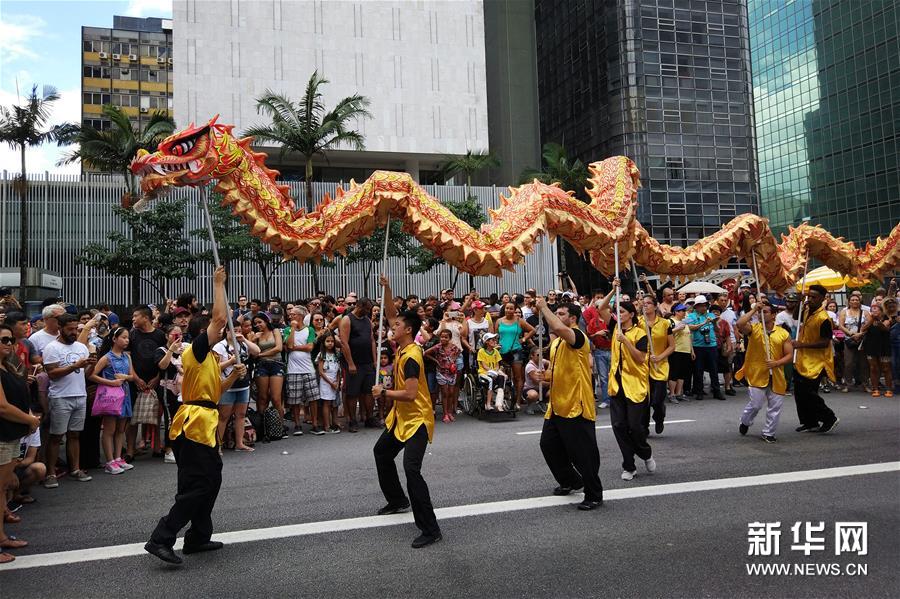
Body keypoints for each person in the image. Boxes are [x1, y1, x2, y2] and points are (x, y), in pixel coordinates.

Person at [146, 267, 247, 565]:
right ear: (207, 333)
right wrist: (218, 284)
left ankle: (198, 536)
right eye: (219, 327)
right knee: (199, 484)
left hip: (203, 420)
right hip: (193, 424)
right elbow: (218, 318)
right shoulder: (198, 350)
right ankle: (161, 537)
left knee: (210, 479)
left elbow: (213, 393)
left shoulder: (210, 358)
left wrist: (232, 377)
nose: (224, 327)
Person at [372, 275, 441, 548]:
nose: (392, 326)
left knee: (412, 470)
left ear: (408, 330)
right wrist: (387, 289)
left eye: (397, 325)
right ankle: (397, 500)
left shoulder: (412, 355)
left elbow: (411, 394)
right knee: (381, 453)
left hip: (418, 421)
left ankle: (430, 528)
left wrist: (384, 393)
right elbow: (391, 313)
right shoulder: (401, 345)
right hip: (401, 418)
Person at [533, 296, 603, 510]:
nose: (557, 317)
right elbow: (557, 370)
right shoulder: (557, 344)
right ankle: (571, 480)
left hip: (576, 404)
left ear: (572, 318)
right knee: (548, 444)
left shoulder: (577, 337)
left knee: (582, 452)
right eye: (558, 313)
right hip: (557, 404)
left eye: (562, 314)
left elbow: (556, 326)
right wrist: (543, 376)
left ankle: (594, 494)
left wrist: (544, 307)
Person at [0, 323, 41, 563]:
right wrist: (30, 420)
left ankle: (2, 537)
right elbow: (2, 407)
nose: (8, 344)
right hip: (3, 436)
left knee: (3, 490)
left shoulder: (8, 366)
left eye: (10, 340)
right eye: (3, 340)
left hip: (10, 436)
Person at [42, 313, 95, 487]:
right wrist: (74, 366)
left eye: (76, 329)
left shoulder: (81, 347)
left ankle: (75, 469)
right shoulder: (52, 348)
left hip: (80, 395)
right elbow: (52, 374)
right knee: (56, 436)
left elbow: (85, 375)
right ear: (60, 328)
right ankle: (50, 473)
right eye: (70, 329)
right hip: (61, 397)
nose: (74, 332)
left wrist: (91, 364)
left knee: (75, 434)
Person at [607, 299, 654, 481]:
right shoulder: (615, 328)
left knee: (635, 427)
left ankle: (645, 452)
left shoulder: (640, 333)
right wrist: (613, 289)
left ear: (632, 315)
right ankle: (629, 465)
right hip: (617, 386)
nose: (619, 315)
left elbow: (641, 358)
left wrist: (625, 341)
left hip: (635, 385)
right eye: (617, 312)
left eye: (623, 312)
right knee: (619, 426)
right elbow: (602, 308)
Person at [734, 302, 793, 443]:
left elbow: (789, 355)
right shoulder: (754, 329)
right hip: (757, 373)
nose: (762, 313)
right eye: (761, 311)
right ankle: (745, 421)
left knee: (775, 406)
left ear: (773, 315)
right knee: (756, 404)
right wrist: (754, 309)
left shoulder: (783, 333)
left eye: (765, 312)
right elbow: (740, 324)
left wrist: (777, 363)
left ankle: (768, 432)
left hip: (777, 375)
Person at [792, 284, 839, 434]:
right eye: (809, 296)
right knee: (799, 393)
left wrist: (802, 344)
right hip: (802, 358)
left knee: (809, 393)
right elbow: (794, 316)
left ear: (822, 299)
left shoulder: (824, 318)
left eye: (814, 297)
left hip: (817, 362)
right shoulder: (806, 310)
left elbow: (825, 342)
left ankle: (829, 417)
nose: (810, 299)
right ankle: (809, 422)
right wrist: (799, 302)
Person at [89, 327, 137, 475]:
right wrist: (110, 382)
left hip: (125, 394)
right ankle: (109, 461)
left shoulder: (126, 356)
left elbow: (132, 376)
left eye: (127, 337)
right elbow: (91, 375)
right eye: (123, 337)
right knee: (109, 430)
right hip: (111, 396)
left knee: (120, 429)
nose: (126, 340)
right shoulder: (106, 357)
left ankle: (118, 457)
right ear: (114, 339)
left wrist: (125, 378)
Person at [127, 306, 166, 462]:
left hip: (155, 380)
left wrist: (157, 377)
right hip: (135, 381)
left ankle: (157, 447)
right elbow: (127, 358)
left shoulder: (160, 335)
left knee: (155, 415)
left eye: (136, 315)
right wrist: (135, 378)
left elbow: (164, 358)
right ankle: (130, 450)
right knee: (132, 418)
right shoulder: (132, 335)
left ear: (146, 318)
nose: (133, 319)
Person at [214, 326, 259, 450]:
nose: (237, 333)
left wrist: (244, 339)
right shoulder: (219, 346)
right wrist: (230, 362)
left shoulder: (242, 344)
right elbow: (214, 367)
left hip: (243, 384)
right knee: (224, 416)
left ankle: (240, 443)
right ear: (227, 331)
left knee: (241, 414)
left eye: (239, 330)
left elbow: (257, 351)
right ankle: (218, 445)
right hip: (227, 385)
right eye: (234, 330)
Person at [639, 295, 675, 435]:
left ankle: (659, 417)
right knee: (644, 400)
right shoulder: (638, 322)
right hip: (643, 366)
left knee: (657, 400)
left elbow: (672, 346)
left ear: (655, 306)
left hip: (660, 366)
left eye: (649, 303)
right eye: (644, 303)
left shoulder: (665, 323)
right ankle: (644, 427)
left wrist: (659, 357)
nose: (646, 305)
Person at [340, 297, 377, 432]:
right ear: (360, 306)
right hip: (354, 362)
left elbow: (372, 340)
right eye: (367, 309)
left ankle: (369, 418)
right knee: (352, 392)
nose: (368, 312)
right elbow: (344, 343)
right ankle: (352, 420)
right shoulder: (347, 319)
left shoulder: (367, 320)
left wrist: (374, 360)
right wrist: (350, 363)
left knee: (369, 391)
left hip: (367, 362)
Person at [493, 301, 535, 410]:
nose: (509, 310)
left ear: (515, 310)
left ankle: (517, 401)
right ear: (504, 309)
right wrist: (495, 344)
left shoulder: (519, 321)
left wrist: (524, 339)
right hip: (502, 351)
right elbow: (495, 336)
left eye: (511, 308)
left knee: (518, 377)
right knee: (502, 376)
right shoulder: (499, 321)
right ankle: (504, 398)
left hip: (516, 351)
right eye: (507, 308)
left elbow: (532, 330)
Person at [684, 295, 725, 400]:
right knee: (698, 370)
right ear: (696, 307)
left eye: (705, 305)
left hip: (711, 345)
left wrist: (715, 323)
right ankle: (699, 391)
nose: (703, 308)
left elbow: (717, 330)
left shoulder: (711, 314)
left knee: (714, 369)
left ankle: (717, 391)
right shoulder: (691, 316)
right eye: (701, 306)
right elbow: (690, 327)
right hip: (698, 346)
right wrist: (704, 323)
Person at [285, 314, 320, 435]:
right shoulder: (287, 329)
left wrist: (294, 347)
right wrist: (293, 329)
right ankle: (297, 425)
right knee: (294, 399)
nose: (291, 316)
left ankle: (315, 424)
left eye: (294, 314)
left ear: (300, 316)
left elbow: (310, 347)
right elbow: (288, 345)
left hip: (308, 368)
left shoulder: (309, 329)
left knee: (313, 398)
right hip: (293, 370)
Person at [583, 289, 614, 409]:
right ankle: (606, 399)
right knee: (603, 378)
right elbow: (588, 336)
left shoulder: (613, 319)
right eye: (598, 306)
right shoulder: (592, 322)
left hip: (612, 349)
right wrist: (597, 334)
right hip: (600, 351)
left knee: (614, 375)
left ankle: (615, 398)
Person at [861, 303, 894, 397]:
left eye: (876, 309)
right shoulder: (869, 320)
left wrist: (878, 321)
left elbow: (885, 328)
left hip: (884, 346)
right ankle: (875, 389)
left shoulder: (887, 320)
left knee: (886, 368)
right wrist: (871, 319)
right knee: (873, 368)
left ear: (881, 311)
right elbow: (863, 329)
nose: (874, 310)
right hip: (871, 346)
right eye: (872, 309)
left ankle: (889, 389)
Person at [838, 294, 869, 391]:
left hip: (862, 340)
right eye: (853, 300)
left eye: (857, 300)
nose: (855, 301)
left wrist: (860, 334)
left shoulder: (865, 312)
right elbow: (841, 326)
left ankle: (865, 384)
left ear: (860, 301)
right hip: (849, 340)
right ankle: (848, 384)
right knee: (848, 363)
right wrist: (851, 333)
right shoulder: (844, 312)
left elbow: (868, 325)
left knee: (864, 363)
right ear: (849, 301)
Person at [315, 331, 342, 434]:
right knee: (326, 403)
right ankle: (326, 425)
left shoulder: (337, 354)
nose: (330, 343)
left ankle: (334, 422)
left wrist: (337, 382)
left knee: (334, 404)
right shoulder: (322, 354)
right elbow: (321, 372)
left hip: (335, 381)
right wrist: (331, 383)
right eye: (328, 341)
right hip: (326, 382)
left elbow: (338, 370)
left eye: (332, 341)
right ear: (323, 342)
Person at [668, 304, 693, 403]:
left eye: (684, 311)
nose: (684, 313)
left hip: (685, 350)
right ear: (676, 311)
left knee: (682, 374)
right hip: (676, 350)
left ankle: (679, 393)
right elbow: (667, 333)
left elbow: (689, 337)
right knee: (674, 373)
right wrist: (677, 329)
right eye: (682, 311)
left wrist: (692, 350)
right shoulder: (670, 321)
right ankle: (672, 394)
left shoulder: (685, 322)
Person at [477, 333, 507, 412]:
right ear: (486, 342)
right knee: (490, 380)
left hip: (494, 372)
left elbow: (497, 365)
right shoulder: (481, 351)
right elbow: (484, 366)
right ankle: (488, 404)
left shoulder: (496, 352)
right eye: (492, 340)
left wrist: (496, 371)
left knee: (502, 377)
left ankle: (499, 403)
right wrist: (492, 371)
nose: (495, 341)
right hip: (484, 373)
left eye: (495, 339)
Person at [522, 345, 549, 414]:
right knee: (533, 395)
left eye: (542, 354)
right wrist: (551, 383)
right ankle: (529, 405)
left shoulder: (542, 361)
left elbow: (550, 363)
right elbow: (537, 382)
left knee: (554, 391)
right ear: (532, 356)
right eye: (538, 355)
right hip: (531, 388)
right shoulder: (530, 366)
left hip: (542, 388)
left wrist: (549, 370)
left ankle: (542, 402)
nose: (541, 356)